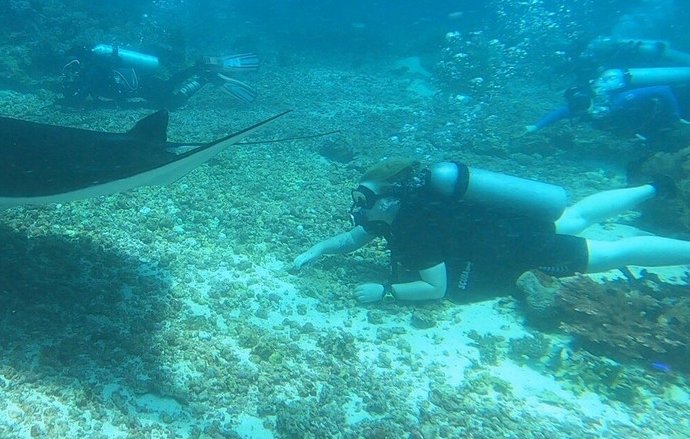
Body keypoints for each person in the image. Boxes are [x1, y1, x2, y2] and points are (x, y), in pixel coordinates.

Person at [291, 158, 690, 304]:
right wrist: (317, 251)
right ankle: (655, 187)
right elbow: (351, 239)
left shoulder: (415, 228)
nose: (359, 209)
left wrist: (385, 292)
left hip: (522, 247)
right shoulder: (404, 209)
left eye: (366, 200)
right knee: (578, 214)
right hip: (513, 221)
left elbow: (436, 288)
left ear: (394, 199)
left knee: (612, 253)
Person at [60, 43, 259, 109]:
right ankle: (199, 67)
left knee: (171, 103)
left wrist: (66, 100)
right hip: (138, 79)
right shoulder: (94, 67)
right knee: (168, 85)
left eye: (72, 66)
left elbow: (80, 96)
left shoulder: (90, 73)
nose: (71, 72)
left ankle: (204, 78)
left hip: (139, 86)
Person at [526, 67, 690, 140]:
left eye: (583, 107)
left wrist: (675, 116)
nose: (583, 112)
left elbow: (663, 89)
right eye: (577, 108)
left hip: (672, 107)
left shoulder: (622, 99)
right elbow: (560, 113)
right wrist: (535, 127)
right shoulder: (579, 107)